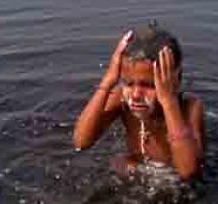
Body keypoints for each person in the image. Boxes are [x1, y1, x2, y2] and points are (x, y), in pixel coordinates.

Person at [73, 24, 205, 181]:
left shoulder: (189, 107)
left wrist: (169, 102)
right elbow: (81, 142)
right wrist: (108, 81)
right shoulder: (121, 98)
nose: (135, 95)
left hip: (177, 181)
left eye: (149, 85)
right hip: (142, 174)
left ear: (174, 81)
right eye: (128, 83)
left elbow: (188, 172)